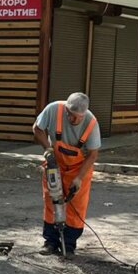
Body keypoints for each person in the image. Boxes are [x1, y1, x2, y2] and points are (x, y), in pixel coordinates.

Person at [32, 92, 101, 255]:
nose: (74, 120)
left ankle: (69, 245)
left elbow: (93, 155)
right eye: (71, 116)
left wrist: (79, 178)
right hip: (55, 162)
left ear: (84, 114)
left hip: (78, 167)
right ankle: (50, 241)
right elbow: (37, 128)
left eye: (79, 117)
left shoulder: (91, 123)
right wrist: (48, 150)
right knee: (52, 199)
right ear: (66, 110)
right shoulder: (54, 109)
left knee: (76, 205)